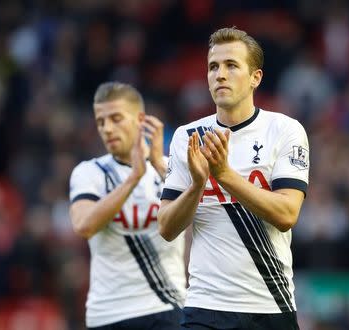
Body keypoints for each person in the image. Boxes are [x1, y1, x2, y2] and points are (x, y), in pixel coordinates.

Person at [158, 27, 309, 330]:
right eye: (213, 67)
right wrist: (198, 186)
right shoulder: (188, 137)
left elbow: (286, 214)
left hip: (269, 305)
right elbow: (166, 227)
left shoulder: (284, 131)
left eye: (231, 65)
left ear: (256, 77)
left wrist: (224, 175)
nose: (220, 75)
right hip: (205, 308)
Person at [69, 82, 186, 329]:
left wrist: (156, 165)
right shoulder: (90, 172)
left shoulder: (171, 168)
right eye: (101, 121)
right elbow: (84, 225)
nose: (107, 128)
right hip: (109, 312)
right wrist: (133, 178)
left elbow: (200, 207)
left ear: (140, 119)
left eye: (116, 118)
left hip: (166, 306)